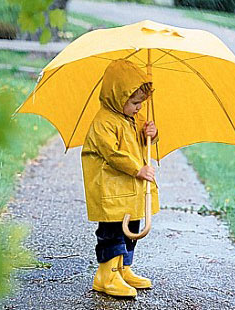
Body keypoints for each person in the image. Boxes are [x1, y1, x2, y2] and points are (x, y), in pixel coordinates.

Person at [81, 59, 160, 298]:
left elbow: (141, 144)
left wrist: (152, 135)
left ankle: (123, 268)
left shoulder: (134, 118)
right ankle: (106, 274)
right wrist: (138, 169)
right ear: (118, 97)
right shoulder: (104, 122)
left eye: (141, 103)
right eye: (134, 102)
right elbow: (113, 154)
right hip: (111, 190)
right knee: (113, 231)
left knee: (130, 228)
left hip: (130, 190)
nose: (138, 108)